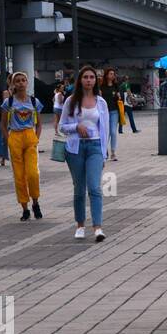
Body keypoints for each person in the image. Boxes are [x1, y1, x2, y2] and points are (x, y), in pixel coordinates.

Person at [58, 64, 111, 242]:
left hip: (95, 147)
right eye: (85, 77)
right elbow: (62, 126)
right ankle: (80, 225)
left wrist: (104, 154)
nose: (89, 80)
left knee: (95, 188)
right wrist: (76, 126)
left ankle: (98, 228)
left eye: (92, 77)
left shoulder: (101, 102)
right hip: (75, 148)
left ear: (96, 81)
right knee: (79, 189)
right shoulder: (70, 101)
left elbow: (105, 130)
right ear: (80, 80)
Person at [1, 71, 43, 221]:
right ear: (13, 84)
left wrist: (36, 139)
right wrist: (9, 139)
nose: (20, 83)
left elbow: (39, 124)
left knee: (33, 173)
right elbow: (3, 125)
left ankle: (36, 202)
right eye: (17, 81)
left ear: (27, 82)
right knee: (19, 176)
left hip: (29, 136)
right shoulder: (9, 103)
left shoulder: (34, 102)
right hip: (15, 138)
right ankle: (24, 207)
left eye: (23, 80)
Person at [105, 68, 139, 134]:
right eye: (128, 79)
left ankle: (120, 130)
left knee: (121, 116)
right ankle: (134, 129)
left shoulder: (120, 85)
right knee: (130, 116)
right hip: (127, 103)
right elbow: (128, 92)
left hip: (121, 102)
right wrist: (132, 100)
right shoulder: (126, 84)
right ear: (127, 79)